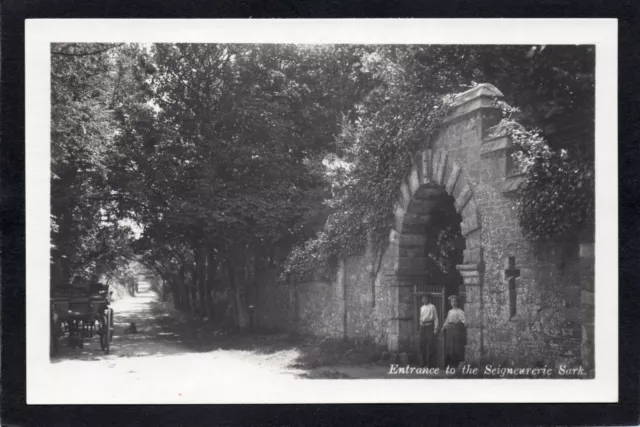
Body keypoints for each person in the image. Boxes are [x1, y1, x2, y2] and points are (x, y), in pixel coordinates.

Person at [442, 295, 466, 369]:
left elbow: (464, 320)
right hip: (450, 330)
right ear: (450, 303)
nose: (453, 303)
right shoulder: (450, 311)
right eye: (452, 301)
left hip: (456, 330)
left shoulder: (460, 311)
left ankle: (455, 363)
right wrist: (443, 327)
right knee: (450, 346)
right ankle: (450, 363)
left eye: (455, 301)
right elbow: (447, 320)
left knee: (455, 346)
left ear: (457, 302)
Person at [419, 295, 439, 368]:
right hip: (423, 327)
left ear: (429, 299)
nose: (424, 299)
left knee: (430, 345)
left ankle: (430, 364)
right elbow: (421, 318)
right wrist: (421, 324)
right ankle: (423, 362)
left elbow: (436, 318)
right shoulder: (422, 308)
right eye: (423, 298)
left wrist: (436, 328)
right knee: (422, 345)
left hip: (429, 327)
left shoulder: (432, 307)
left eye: (425, 298)